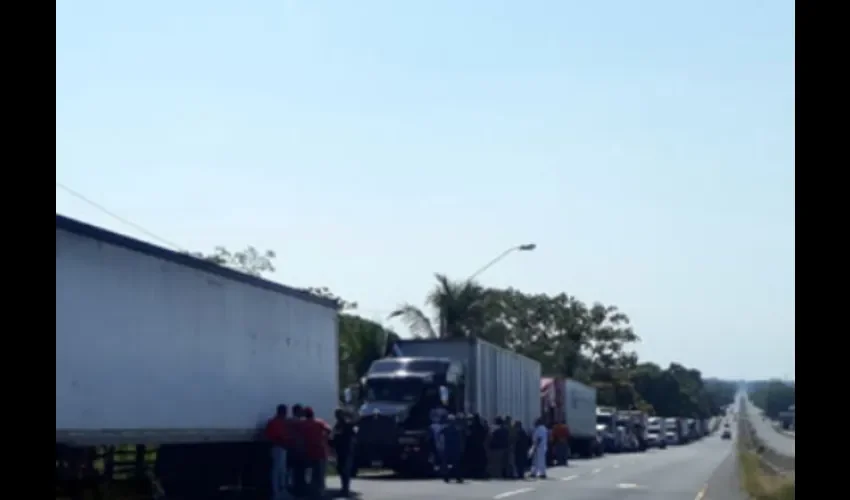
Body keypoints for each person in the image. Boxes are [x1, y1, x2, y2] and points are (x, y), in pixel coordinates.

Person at [301, 407, 330, 499]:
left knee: (310, 473)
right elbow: (328, 429)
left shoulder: (303, 424)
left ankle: (312, 491)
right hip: (320, 451)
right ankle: (321, 492)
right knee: (320, 474)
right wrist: (324, 437)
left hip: (308, 451)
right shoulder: (319, 422)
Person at [264, 404, 291, 500]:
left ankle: (280, 491)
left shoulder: (275, 422)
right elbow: (272, 436)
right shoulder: (277, 422)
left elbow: (268, 435)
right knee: (278, 470)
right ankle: (277, 492)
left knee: (280, 470)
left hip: (280, 448)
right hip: (278, 448)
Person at [331, 409, 356, 497]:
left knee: (345, 470)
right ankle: (344, 488)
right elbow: (334, 437)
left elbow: (352, 434)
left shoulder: (346, 424)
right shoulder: (338, 425)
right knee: (341, 470)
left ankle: (345, 489)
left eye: (338, 414)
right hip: (340, 450)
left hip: (346, 450)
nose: (337, 416)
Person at [288, 404, 306, 497]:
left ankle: (294, 489)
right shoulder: (301, 422)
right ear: (298, 411)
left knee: (294, 471)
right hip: (299, 450)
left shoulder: (289, 421)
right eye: (301, 410)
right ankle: (300, 490)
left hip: (292, 449)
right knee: (300, 471)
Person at [439, 414, 464, 483]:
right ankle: (456, 477)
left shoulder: (446, 429)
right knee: (454, 463)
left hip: (449, 448)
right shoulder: (457, 429)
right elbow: (460, 440)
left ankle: (448, 477)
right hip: (453, 448)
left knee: (448, 463)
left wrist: (441, 448)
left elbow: (441, 439)